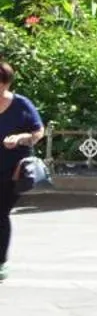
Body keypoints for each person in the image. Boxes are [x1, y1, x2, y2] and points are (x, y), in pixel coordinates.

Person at [0, 60, 47, 283]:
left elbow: (38, 131)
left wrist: (21, 138)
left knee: (0, 213)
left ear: (5, 83)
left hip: (12, 170)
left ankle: (1, 262)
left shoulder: (21, 104)